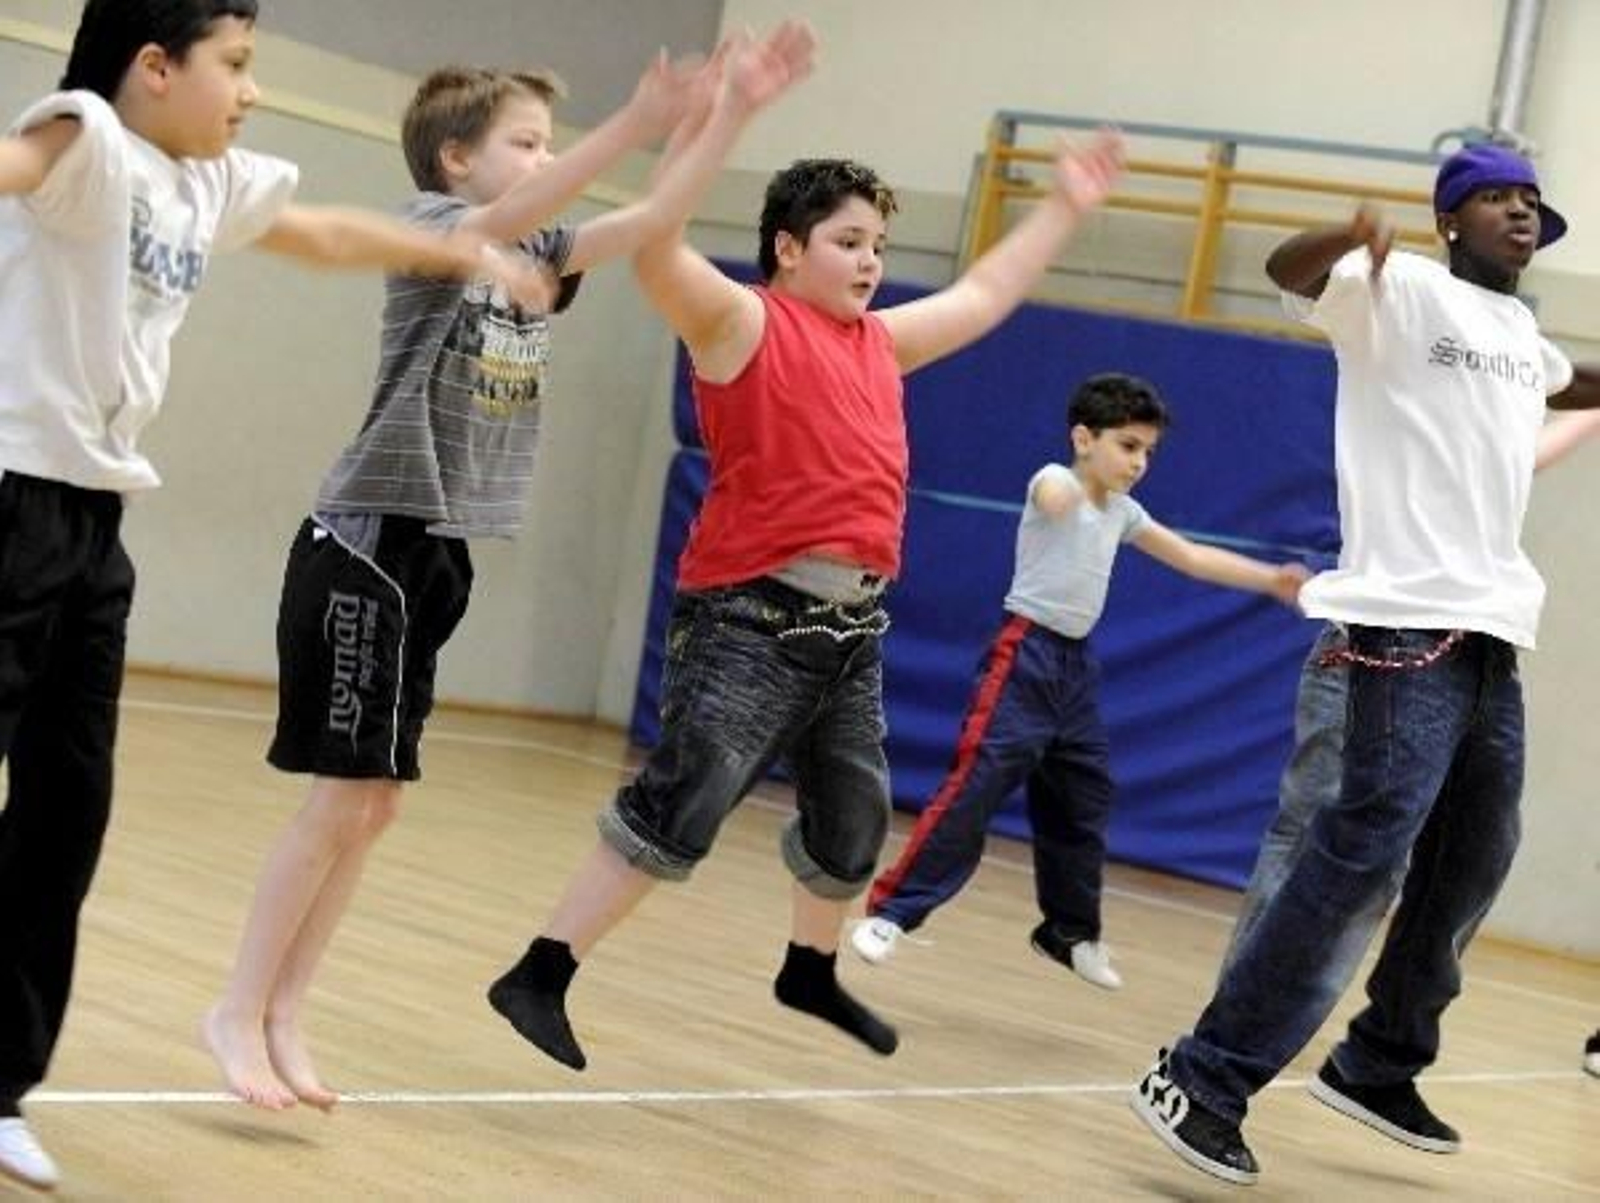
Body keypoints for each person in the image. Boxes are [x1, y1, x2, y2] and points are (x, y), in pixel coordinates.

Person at [201, 28, 819, 1113]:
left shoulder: (534, 250)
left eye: (548, 146)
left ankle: (288, 1009)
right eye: (527, 143)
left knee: (375, 806)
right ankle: (236, 1008)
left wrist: (730, 117)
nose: (542, 162)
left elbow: (645, 225)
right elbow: (504, 221)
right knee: (341, 798)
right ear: (454, 159)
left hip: (436, 551)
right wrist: (631, 122)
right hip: (364, 547)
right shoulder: (435, 229)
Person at [0, 0, 558, 1189]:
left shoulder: (208, 183)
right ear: (155, 67)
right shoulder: (88, 137)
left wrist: (460, 248)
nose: (252, 89)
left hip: (95, 532)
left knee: (63, 820)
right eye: (236, 64)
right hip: (7, 501)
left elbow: (318, 234)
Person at [484, 65, 1125, 1066]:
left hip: (850, 629)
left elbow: (986, 292)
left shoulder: (881, 343)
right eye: (847, 242)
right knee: (685, 801)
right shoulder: (740, 324)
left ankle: (808, 970)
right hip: (749, 617)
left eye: (877, 244)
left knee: (855, 816)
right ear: (787, 248)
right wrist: (730, 113)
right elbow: (655, 241)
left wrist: (1063, 210)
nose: (870, 261)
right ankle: (541, 971)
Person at [1130, 144, 1600, 1186]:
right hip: (1399, 626)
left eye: (1530, 202)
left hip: (1489, 636)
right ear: (1447, 221)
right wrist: (1350, 236)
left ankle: (1378, 1060)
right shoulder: (1397, 291)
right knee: (1360, 852)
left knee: (1475, 852)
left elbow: (1574, 380)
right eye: (1494, 199)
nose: (1520, 214)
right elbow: (1288, 273)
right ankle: (1202, 1074)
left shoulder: (1522, 336)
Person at [850, 373, 1307, 989]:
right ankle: (892, 913)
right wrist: (1060, 491)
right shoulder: (1057, 481)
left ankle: (1068, 933)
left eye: (1148, 452)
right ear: (1084, 439)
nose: (1139, 462)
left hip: (1074, 669)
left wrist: (1271, 580)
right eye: (1128, 446)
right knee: (975, 788)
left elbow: (1193, 558)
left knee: (1084, 800)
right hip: (1023, 656)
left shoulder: (1124, 512)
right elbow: (1047, 489)